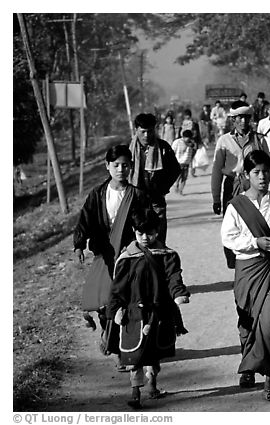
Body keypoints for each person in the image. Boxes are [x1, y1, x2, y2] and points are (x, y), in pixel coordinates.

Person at [220, 150, 270, 402]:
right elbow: (228, 237)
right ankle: (248, 365)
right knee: (247, 321)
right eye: (256, 172)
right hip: (246, 269)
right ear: (246, 175)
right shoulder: (236, 206)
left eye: (266, 171)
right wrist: (256, 242)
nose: (262, 177)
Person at [107, 208, 190, 409]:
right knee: (133, 355)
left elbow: (173, 277)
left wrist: (178, 293)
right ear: (134, 231)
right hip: (133, 314)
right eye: (140, 233)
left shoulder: (167, 255)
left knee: (153, 353)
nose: (145, 238)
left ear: (158, 231)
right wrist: (116, 308)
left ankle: (152, 384)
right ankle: (135, 392)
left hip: (157, 313)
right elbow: (117, 287)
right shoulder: (126, 259)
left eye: (150, 233)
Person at [73, 145, 149, 342]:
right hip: (105, 253)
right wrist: (79, 244)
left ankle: (120, 345)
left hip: (128, 254)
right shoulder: (97, 194)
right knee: (105, 298)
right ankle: (107, 332)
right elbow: (86, 219)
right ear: (107, 166)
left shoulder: (137, 195)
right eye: (116, 165)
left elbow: (144, 223)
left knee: (126, 297)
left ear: (131, 167)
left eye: (125, 165)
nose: (121, 170)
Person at [211, 100, 270, 268]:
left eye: (246, 117)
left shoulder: (259, 140)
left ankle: (256, 260)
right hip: (232, 186)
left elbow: (268, 168)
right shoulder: (224, 141)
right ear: (233, 119)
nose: (243, 121)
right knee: (232, 224)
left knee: (257, 223)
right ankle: (234, 262)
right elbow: (217, 170)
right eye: (239, 118)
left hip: (254, 186)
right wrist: (216, 198)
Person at [128, 113, 181, 244]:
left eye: (150, 131)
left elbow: (175, 170)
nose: (146, 136)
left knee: (158, 237)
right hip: (134, 201)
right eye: (143, 132)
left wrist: (162, 188)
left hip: (156, 200)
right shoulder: (128, 151)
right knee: (136, 239)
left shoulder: (163, 148)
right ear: (136, 130)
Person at [171, 130, 196, 195]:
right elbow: (172, 151)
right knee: (177, 177)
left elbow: (193, 154)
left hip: (186, 164)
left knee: (184, 178)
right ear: (183, 137)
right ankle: (176, 185)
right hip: (178, 163)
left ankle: (181, 190)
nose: (188, 139)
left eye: (190, 138)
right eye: (187, 138)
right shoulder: (177, 142)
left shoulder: (192, 144)